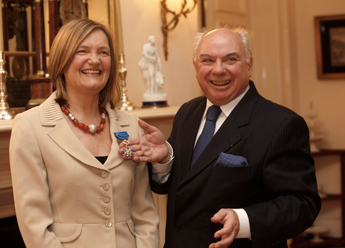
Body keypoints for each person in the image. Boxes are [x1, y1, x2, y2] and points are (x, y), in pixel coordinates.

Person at [119, 27, 321, 248]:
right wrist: (164, 159)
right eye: (207, 60)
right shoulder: (188, 112)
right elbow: (185, 188)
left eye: (230, 59)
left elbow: (302, 205)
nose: (218, 70)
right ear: (195, 67)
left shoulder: (281, 124)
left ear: (249, 65)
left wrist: (243, 220)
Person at [9, 19, 159, 248]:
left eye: (103, 52)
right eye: (83, 51)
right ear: (62, 60)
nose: (95, 60)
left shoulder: (131, 126)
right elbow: (34, 226)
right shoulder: (30, 127)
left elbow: (144, 213)